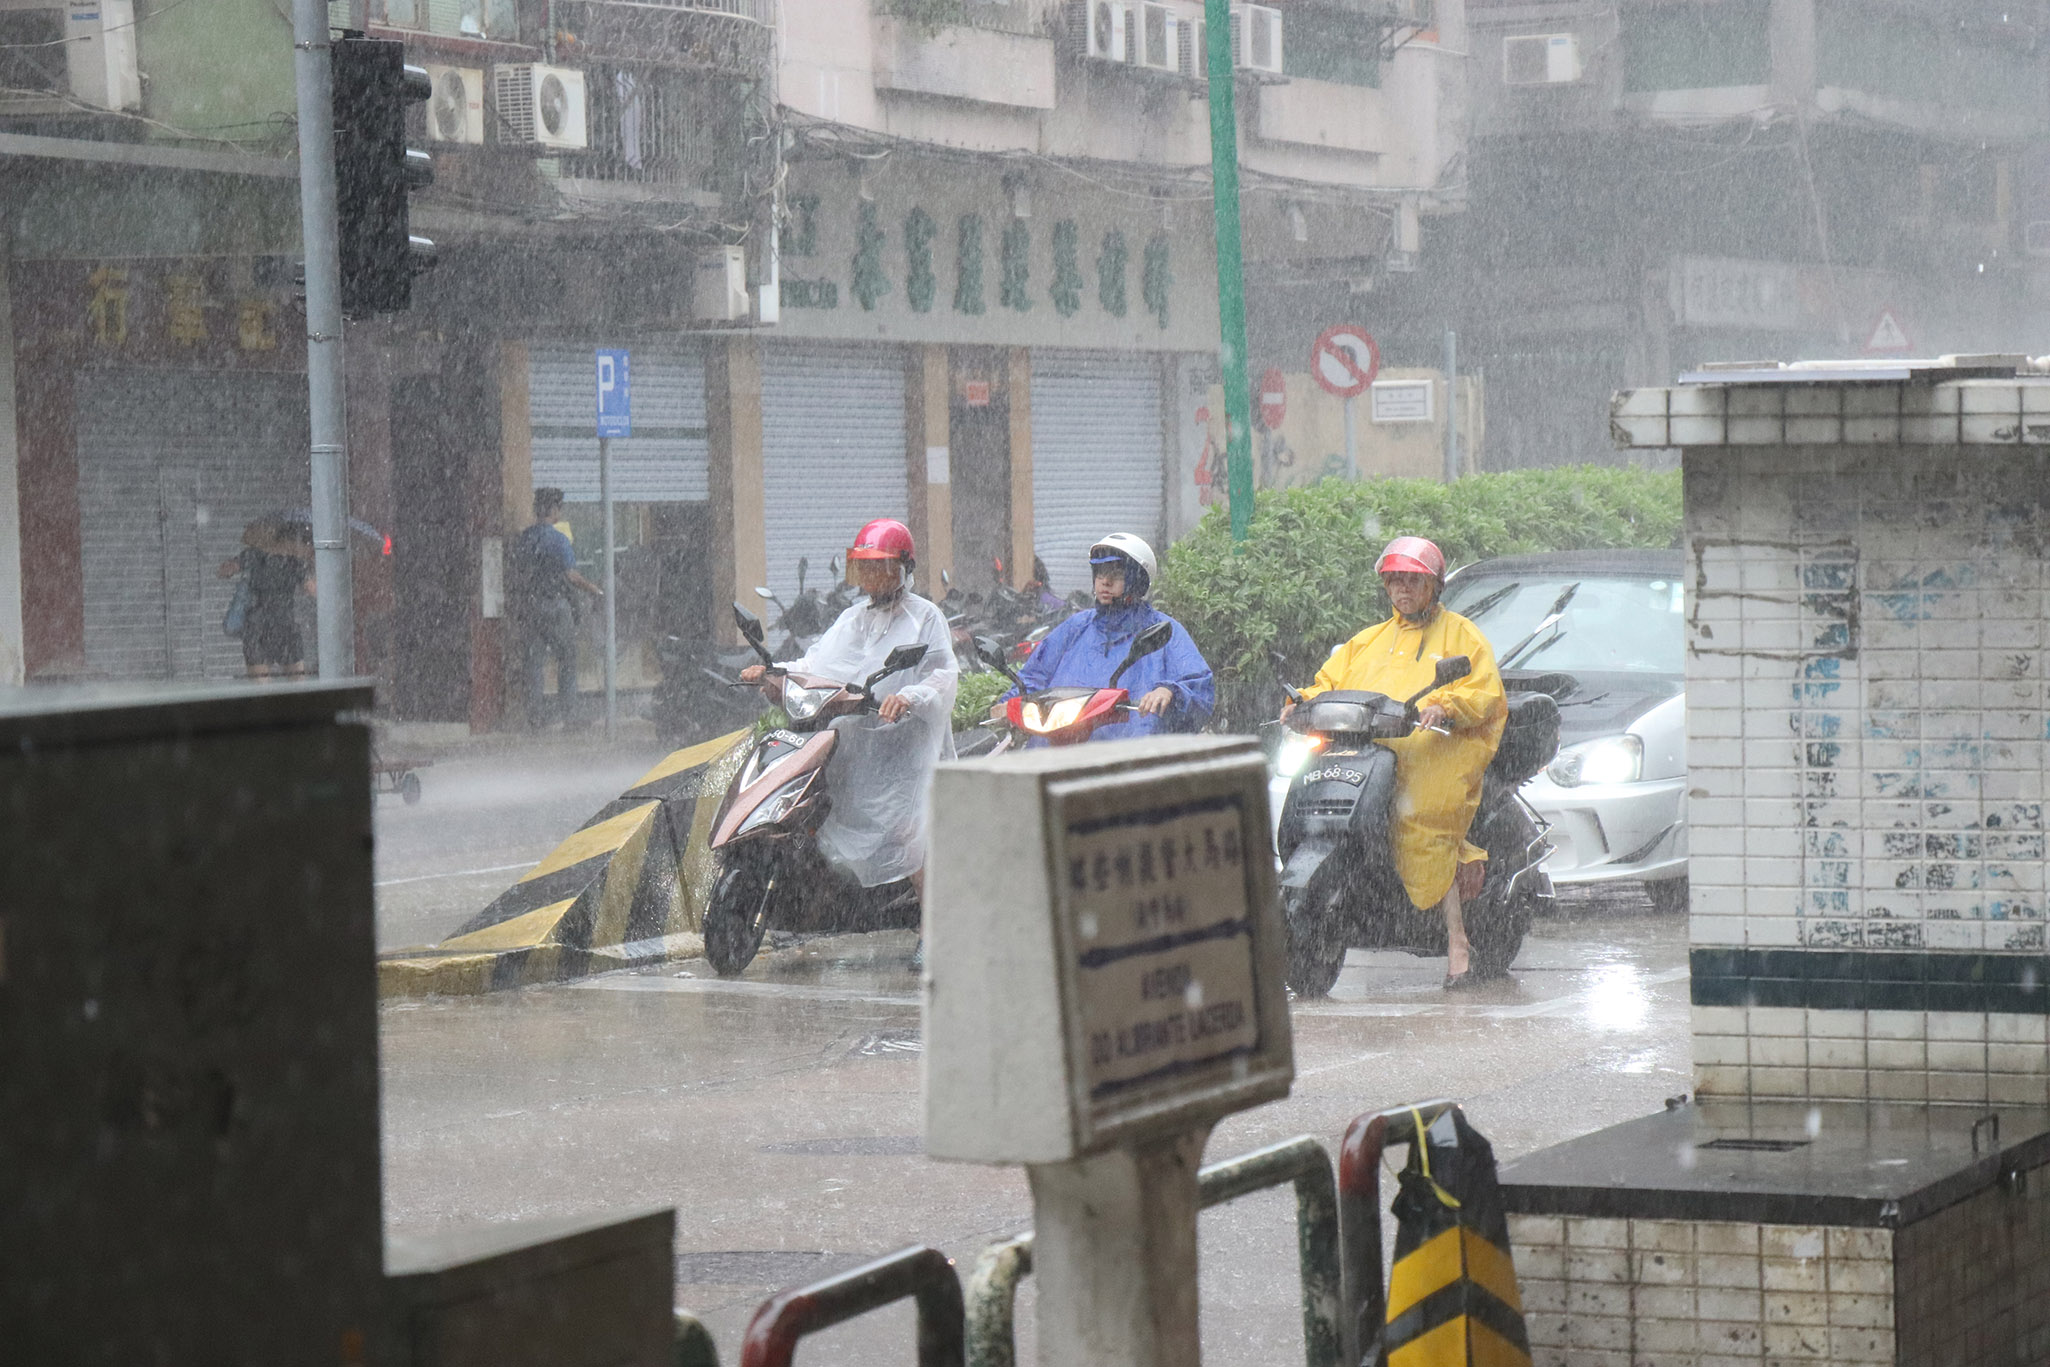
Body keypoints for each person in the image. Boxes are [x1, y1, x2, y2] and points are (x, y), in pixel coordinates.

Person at [1285, 536, 1507, 988]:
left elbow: (1483, 690)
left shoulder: (1462, 634)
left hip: (1434, 749)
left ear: (1434, 585)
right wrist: (1301, 702)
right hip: (1368, 753)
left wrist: (1446, 704)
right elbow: (1328, 682)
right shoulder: (1367, 640)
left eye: (1412, 581)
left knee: (1420, 819)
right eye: (1394, 581)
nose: (1402, 590)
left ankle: (1457, 942)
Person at [740, 518, 958, 893]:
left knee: (910, 831)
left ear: (903, 568)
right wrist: (775, 675)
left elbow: (942, 674)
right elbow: (816, 664)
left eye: (881, 566)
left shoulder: (925, 616)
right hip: (855, 744)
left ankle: (931, 927)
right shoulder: (852, 618)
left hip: (903, 749)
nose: (872, 577)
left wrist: (908, 697)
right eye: (866, 567)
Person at [993, 532, 1214, 742]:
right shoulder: (1076, 627)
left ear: (1136, 581)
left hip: (1135, 757)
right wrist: (1008, 702)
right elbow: (1035, 675)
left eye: (1116, 574)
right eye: (1100, 573)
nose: (1105, 582)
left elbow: (1197, 685)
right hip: (1061, 746)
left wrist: (1168, 691)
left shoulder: (1162, 629)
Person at [507, 487, 603, 728]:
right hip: (556, 606)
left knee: (534, 664)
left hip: (530, 607)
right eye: (559, 507)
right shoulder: (559, 540)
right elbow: (572, 576)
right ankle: (570, 716)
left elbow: (517, 574)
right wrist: (595, 590)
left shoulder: (524, 538)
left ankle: (535, 718)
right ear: (554, 510)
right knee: (568, 659)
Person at [218, 516, 314, 679]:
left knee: (261, 691)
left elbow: (223, 571)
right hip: (284, 628)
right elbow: (312, 589)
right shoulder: (294, 562)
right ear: (291, 540)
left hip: (256, 629)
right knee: (298, 685)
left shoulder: (253, 555)